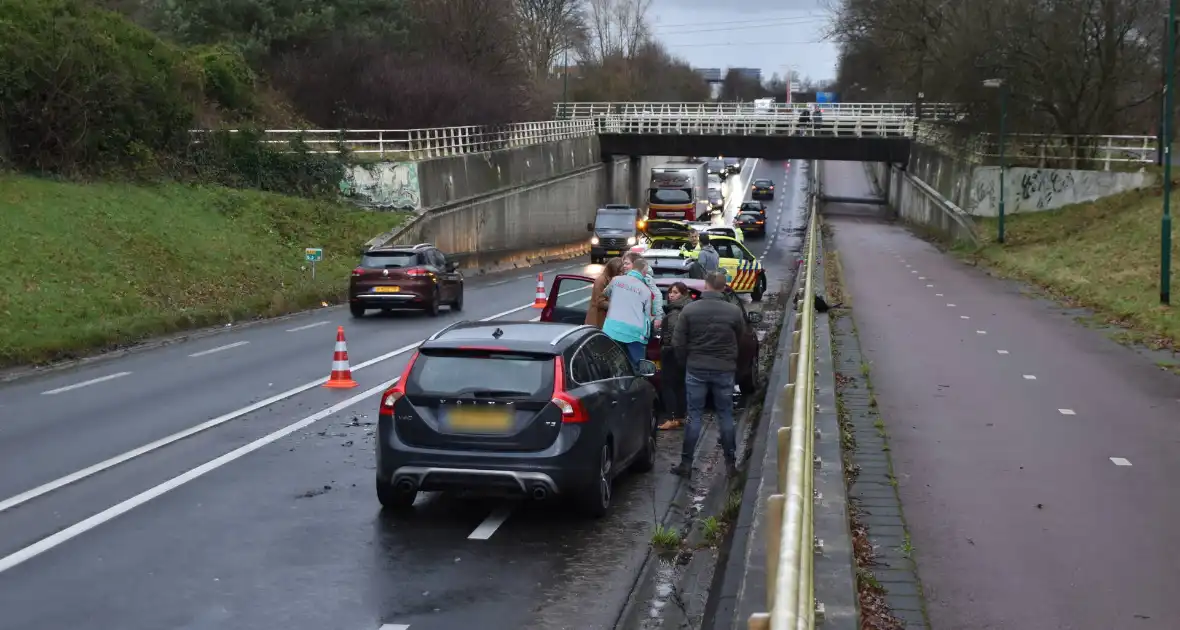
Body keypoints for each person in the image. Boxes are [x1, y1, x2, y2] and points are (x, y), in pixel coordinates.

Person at [671, 271, 745, 478]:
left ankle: (686, 463)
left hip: (696, 368)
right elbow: (741, 338)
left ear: (705, 286)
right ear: (724, 288)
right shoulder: (733, 311)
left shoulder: (689, 310)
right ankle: (731, 463)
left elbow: (678, 342)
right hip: (724, 369)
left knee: (694, 415)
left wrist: (686, 362)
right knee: (726, 415)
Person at [602, 258, 655, 368]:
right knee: (636, 367)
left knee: (610, 364)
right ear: (644, 273)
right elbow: (648, 316)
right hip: (634, 335)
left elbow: (606, 293)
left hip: (612, 330)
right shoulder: (646, 291)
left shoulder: (616, 280)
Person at [658, 282, 691, 430]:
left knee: (668, 385)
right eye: (670, 292)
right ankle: (680, 416)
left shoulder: (675, 313)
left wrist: (666, 346)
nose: (671, 295)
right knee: (680, 385)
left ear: (683, 295)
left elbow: (671, 335)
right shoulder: (687, 309)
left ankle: (672, 417)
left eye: (676, 292)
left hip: (671, 352)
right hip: (683, 352)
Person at [623, 251, 664, 323]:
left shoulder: (645, 278)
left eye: (627, 263)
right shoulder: (626, 277)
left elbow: (657, 297)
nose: (624, 266)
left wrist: (658, 317)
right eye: (624, 263)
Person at [586, 257, 624, 328]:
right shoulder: (601, 281)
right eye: (619, 272)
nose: (621, 274)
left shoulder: (615, 280)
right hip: (598, 319)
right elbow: (600, 302)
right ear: (613, 270)